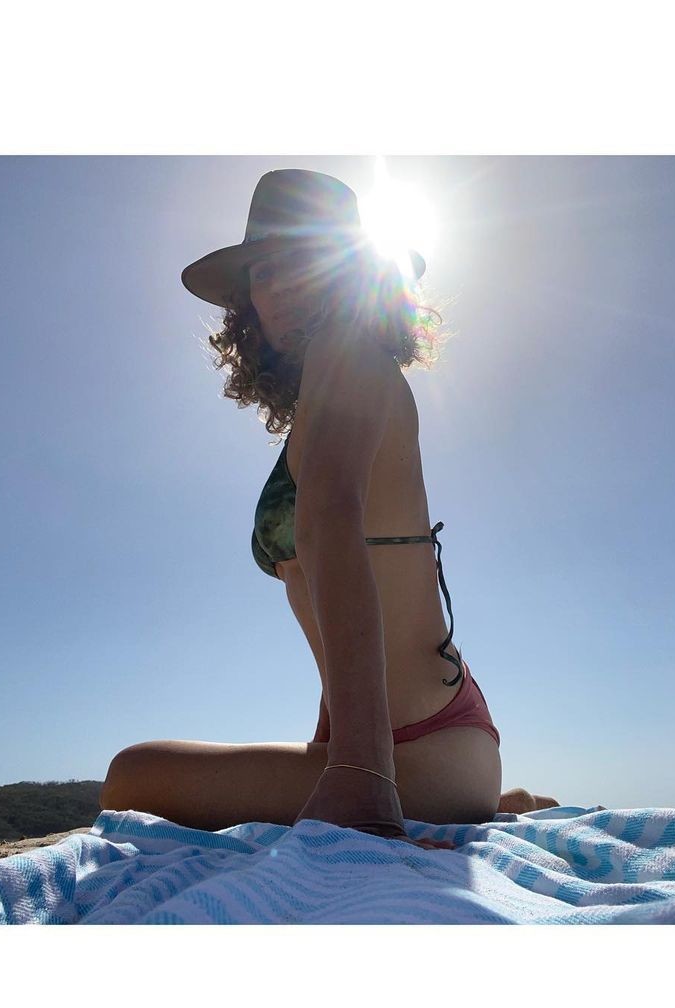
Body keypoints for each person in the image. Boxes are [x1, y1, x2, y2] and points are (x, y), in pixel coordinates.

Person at [99, 169, 557, 850]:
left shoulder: (348, 352)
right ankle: (481, 798)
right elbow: (328, 598)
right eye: (263, 272)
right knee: (140, 773)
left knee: (131, 776)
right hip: (423, 735)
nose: (279, 286)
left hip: (415, 749)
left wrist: (360, 775)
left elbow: (331, 525)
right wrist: (333, 744)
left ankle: (458, 795)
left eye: (304, 262)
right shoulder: (330, 383)